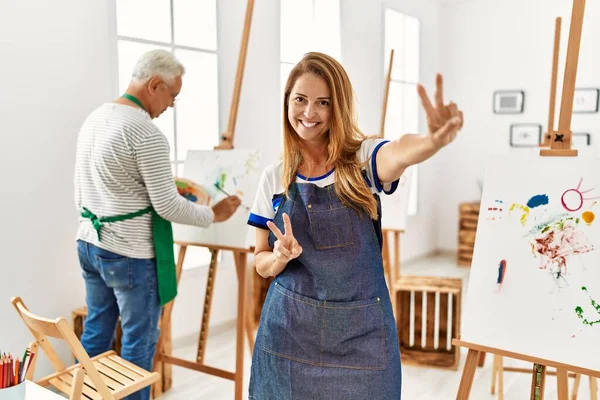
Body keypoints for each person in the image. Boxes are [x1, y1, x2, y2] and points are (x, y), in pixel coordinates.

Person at [246, 52, 463, 399]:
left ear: (338, 108)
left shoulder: (361, 159)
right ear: (288, 101)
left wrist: (431, 141)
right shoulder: (274, 177)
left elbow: (399, 152)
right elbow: (259, 262)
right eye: (300, 99)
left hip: (361, 339)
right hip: (288, 335)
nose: (309, 112)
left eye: (323, 103)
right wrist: (278, 258)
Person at [73, 49, 241, 400]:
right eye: (173, 95)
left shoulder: (96, 118)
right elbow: (166, 206)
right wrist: (215, 214)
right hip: (129, 255)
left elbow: (83, 192)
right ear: (154, 85)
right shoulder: (145, 133)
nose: (172, 105)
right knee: (137, 345)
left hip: (89, 243)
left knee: (95, 334)